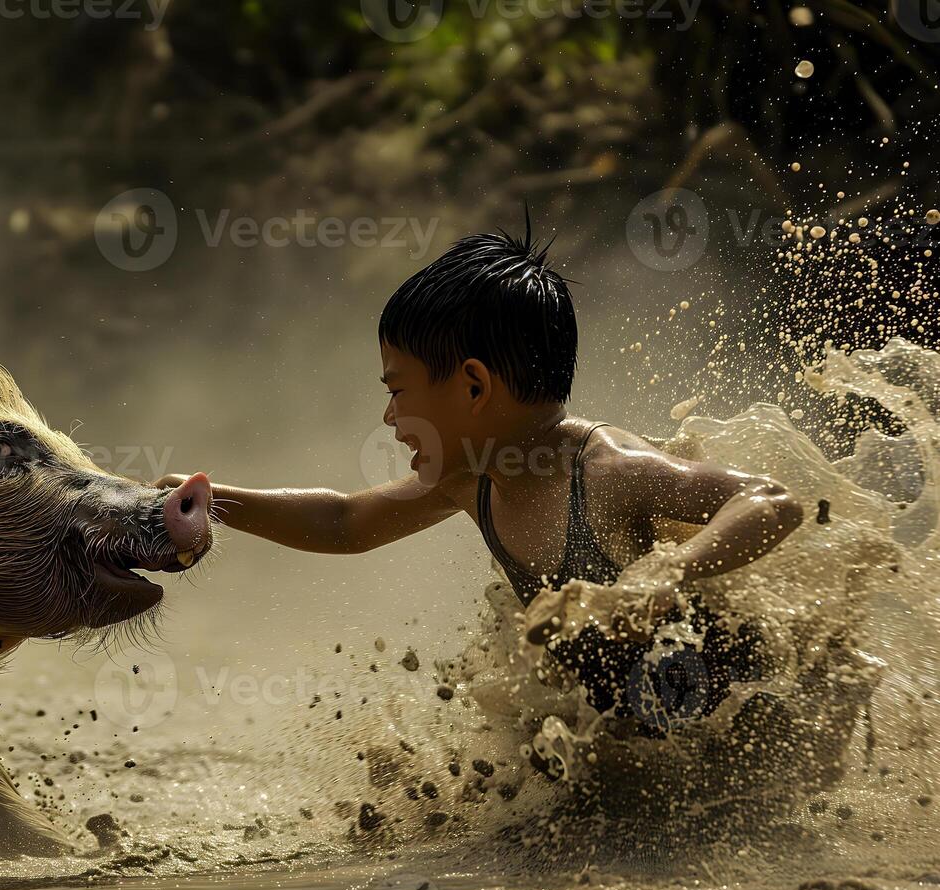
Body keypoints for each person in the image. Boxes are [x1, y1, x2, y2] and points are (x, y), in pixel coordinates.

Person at [158, 221, 802, 731]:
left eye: (399, 390)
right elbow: (345, 521)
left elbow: (771, 500)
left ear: (472, 385)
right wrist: (212, 502)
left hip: (740, 716)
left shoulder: (605, 473)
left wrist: (667, 571)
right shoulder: (471, 480)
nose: (388, 416)